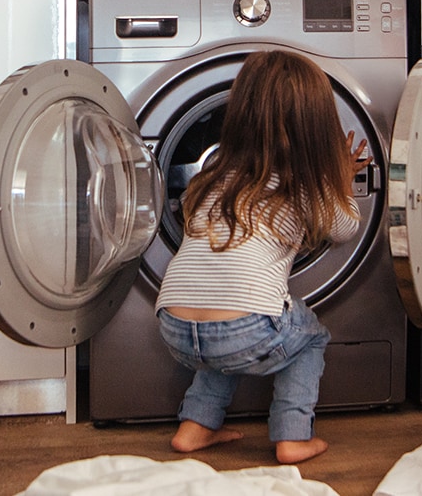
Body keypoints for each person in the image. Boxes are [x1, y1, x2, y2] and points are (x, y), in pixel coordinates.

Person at [153, 49, 371, 465]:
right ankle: (292, 436)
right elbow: (345, 229)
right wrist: (340, 181)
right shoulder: (305, 184)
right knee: (309, 338)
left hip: (173, 326)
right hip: (245, 329)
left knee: (223, 324)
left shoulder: (214, 171)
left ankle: (194, 427)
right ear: (317, 127)